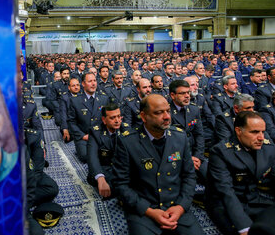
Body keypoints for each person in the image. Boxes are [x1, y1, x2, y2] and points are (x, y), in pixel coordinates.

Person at [113, 94, 204, 235]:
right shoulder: (127, 142)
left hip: (175, 206)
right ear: (143, 116)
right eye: (158, 113)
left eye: (167, 111)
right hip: (144, 209)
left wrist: (180, 207)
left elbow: (189, 176)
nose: (167, 116)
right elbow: (121, 184)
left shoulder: (180, 137)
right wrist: (149, 211)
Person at [207, 111, 275, 235]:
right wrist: (243, 226)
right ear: (238, 131)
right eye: (254, 132)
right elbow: (226, 191)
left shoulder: (267, 147)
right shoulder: (220, 152)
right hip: (226, 204)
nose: (261, 137)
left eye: (263, 132)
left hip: (255, 199)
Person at [87, 103, 131, 198]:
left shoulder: (126, 129)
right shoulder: (95, 132)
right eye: (112, 118)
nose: (117, 121)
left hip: (122, 168)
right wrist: (100, 178)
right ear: (104, 120)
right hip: (106, 168)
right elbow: (92, 157)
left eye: (119, 116)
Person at [68, 72, 109, 163]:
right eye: (90, 81)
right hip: (84, 136)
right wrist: (82, 136)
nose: (93, 83)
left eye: (94, 81)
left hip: (100, 135)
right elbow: (71, 122)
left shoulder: (104, 99)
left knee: (109, 154)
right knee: (86, 157)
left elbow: (108, 119)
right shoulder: (75, 101)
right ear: (83, 84)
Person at [169, 80, 206, 178]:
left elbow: (199, 135)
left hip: (195, 154)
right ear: (172, 95)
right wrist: (188, 159)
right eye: (182, 93)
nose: (187, 96)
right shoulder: (166, 112)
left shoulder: (194, 109)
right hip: (175, 157)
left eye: (188, 92)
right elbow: (169, 143)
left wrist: (198, 156)